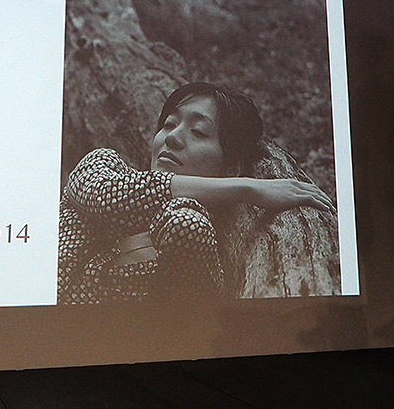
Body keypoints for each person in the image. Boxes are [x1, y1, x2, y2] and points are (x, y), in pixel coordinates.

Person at [58, 82, 334, 303]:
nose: (172, 137)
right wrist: (249, 188)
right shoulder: (104, 166)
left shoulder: (193, 234)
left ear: (231, 169)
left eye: (199, 132)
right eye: (169, 124)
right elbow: (103, 195)